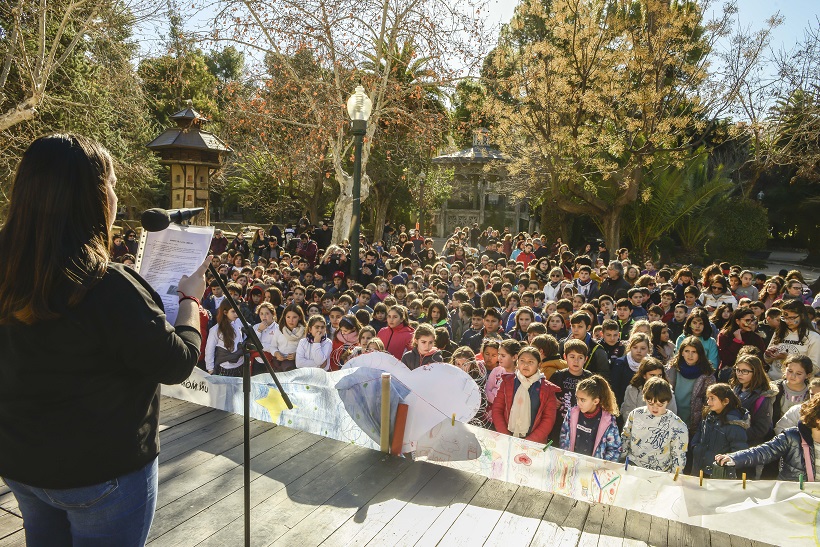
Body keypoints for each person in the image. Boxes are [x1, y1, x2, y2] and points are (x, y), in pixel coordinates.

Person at [0, 134, 207, 546]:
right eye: (111, 184)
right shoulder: (104, 285)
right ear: (91, 197)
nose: (114, 195)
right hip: (101, 475)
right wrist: (189, 302)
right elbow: (177, 362)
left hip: (20, 463)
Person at [715, 395, 820, 482]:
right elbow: (763, 452)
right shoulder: (791, 437)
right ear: (817, 419)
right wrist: (733, 458)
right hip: (793, 499)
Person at [492, 346, 561, 443]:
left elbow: (548, 420)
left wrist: (529, 442)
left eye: (531, 362)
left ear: (539, 365)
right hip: (506, 439)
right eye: (522, 361)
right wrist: (506, 436)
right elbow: (497, 409)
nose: (525, 365)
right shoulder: (507, 382)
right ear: (517, 362)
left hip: (533, 443)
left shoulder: (547, 389)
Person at [620, 377, 689, 473]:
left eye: (660, 405)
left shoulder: (678, 426)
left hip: (660, 473)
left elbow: (679, 455)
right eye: (650, 403)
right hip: (633, 466)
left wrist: (674, 478)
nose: (655, 408)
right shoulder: (636, 414)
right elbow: (625, 437)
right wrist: (620, 461)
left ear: (668, 401)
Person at [690, 383, 749, 478]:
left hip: (719, 473)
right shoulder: (708, 416)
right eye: (708, 398)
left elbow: (739, 451)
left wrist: (724, 464)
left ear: (725, 401)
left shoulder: (734, 424)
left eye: (712, 398)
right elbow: (699, 432)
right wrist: (695, 447)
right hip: (700, 467)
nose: (708, 402)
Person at [559, 375, 622, 461]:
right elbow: (563, 436)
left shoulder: (608, 420)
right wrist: (567, 458)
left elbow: (614, 449)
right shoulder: (572, 413)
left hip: (594, 470)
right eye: (577, 398)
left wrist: (600, 467)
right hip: (572, 465)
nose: (578, 403)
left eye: (583, 400)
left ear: (595, 401)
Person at [666, 336, 716, 433]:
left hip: (694, 421)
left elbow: (708, 402)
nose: (690, 355)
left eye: (694, 352)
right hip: (672, 416)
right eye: (687, 351)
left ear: (700, 354)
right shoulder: (671, 369)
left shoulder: (707, 375)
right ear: (682, 353)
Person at [764, 300, 820, 381]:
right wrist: (768, 355)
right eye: (784, 318)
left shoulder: (814, 337)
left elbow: (815, 368)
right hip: (773, 380)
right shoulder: (779, 333)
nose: (787, 321)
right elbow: (768, 361)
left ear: (802, 316)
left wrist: (788, 358)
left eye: (792, 318)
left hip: (796, 383)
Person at [205, 299, 246, 376]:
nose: (236, 314)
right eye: (233, 311)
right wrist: (210, 369)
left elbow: (249, 330)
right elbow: (209, 350)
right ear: (225, 312)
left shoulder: (238, 322)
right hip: (226, 368)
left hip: (240, 366)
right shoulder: (216, 329)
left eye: (238, 310)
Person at [270, 304, 305, 372]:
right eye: (288, 317)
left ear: (299, 317)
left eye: (294, 317)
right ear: (284, 317)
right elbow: (272, 346)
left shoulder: (304, 332)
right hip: (278, 362)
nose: (291, 320)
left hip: (293, 364)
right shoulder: (279, 330)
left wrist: (296, 355)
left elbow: (306, 350)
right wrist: (276, 354)